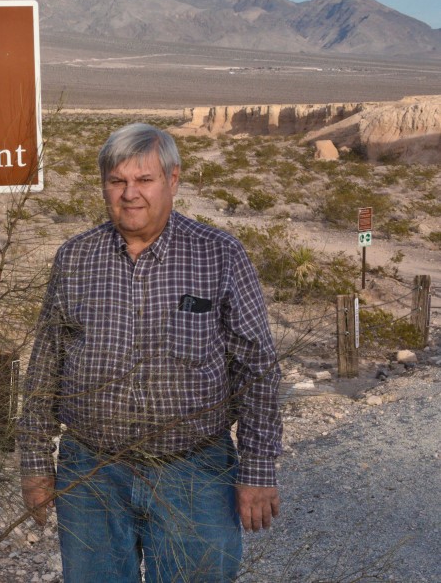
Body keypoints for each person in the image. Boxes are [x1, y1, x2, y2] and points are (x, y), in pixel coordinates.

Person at [18, 123, 282, 582]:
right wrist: (36, 465)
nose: (129, 194)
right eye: (117, 181)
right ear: (104, 186)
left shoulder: (218, 255)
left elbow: (257, 369)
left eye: (144, 180)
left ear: (173, 181)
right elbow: (45, 367)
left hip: (194, 472)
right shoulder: (76, 257)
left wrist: (257, 471)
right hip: (91, 473)